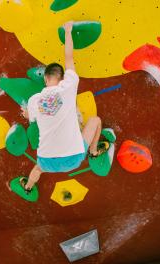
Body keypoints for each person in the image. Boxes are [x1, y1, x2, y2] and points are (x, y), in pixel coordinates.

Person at [20, 21, 108, 194]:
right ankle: (93, 151)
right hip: (73, 159)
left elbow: (30, 116)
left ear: (45, 79)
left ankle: (28, 187)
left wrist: (26, 113)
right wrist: (68, 30)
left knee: (37, 169)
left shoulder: (34, 100)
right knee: (96, 121)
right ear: (62, 78)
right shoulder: (69, 86)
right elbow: (69, 58)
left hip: (47, 161)